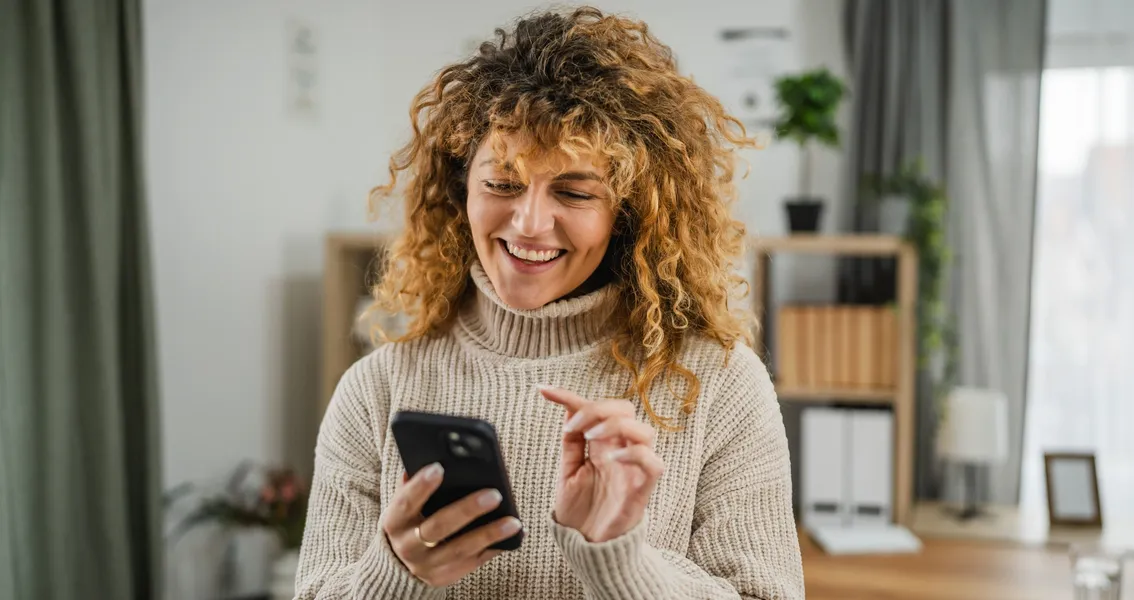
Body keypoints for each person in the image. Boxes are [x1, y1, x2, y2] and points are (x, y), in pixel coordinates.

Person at [295, 6, 804, 599]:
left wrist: (621, 562)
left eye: (574, 192)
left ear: (628, 212)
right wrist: (396, 574)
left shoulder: (719, 385)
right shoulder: (377, 389)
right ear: (462, 189)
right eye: (502, 184)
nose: (530, 223)